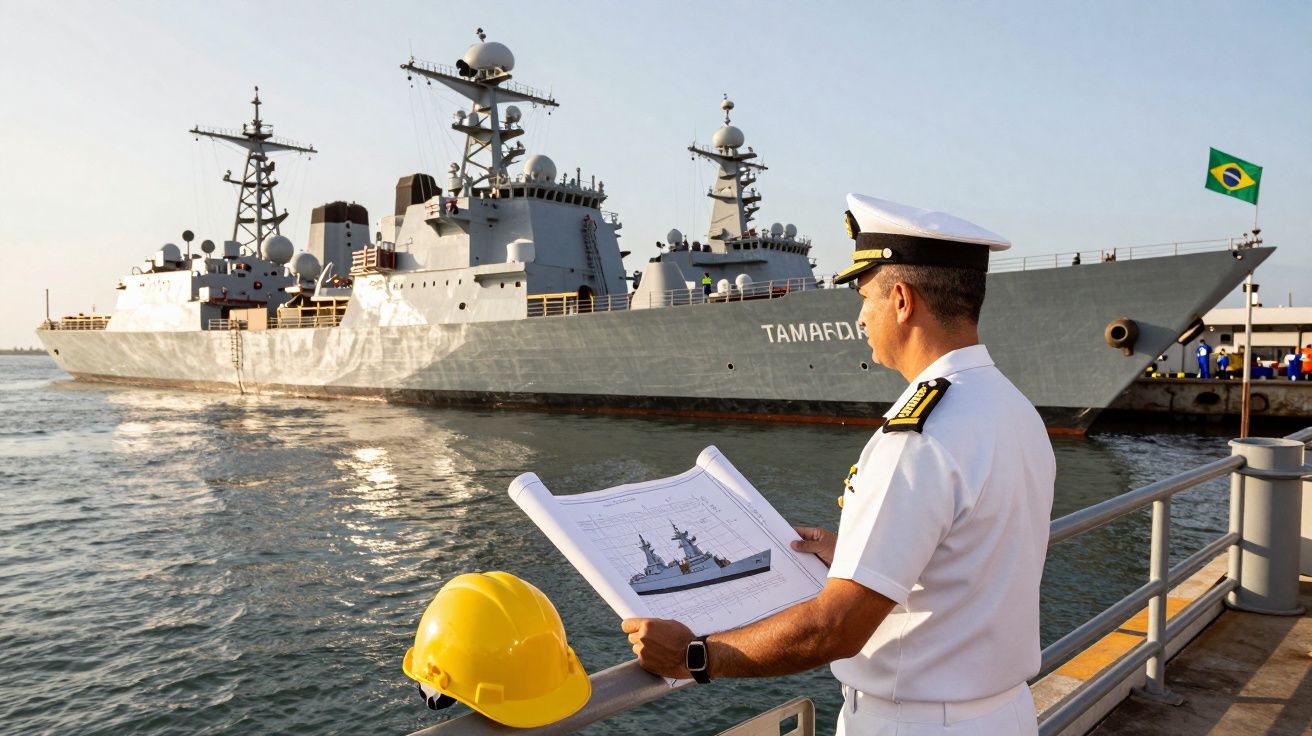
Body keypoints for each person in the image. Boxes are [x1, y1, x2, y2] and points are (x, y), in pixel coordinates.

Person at [622, 193, 1055, 735]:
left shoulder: (918, 437)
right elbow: (970, 550)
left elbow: (834, 629)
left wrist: (694, 655)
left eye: (864, 296)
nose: (860, 316)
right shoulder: (1011, 407)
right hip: (1005, 714)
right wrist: (854, 552)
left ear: (901, 300)